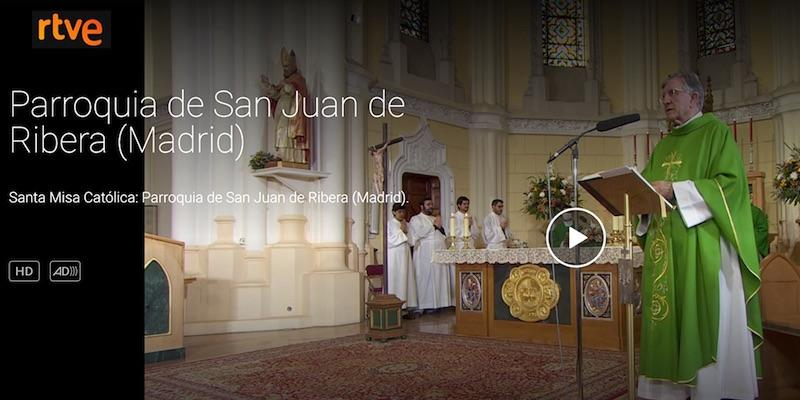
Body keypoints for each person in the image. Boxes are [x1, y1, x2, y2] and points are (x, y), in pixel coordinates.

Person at [637, 71, 762, 400]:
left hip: (702, 247)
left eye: (672, 92)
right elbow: (648, 192)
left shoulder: (716, 133)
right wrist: (639, 200)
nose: (665, 99)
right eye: (663, 94)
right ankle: (667, 392)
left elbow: (730, 188)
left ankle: (708, 389)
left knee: (702, 320)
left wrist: (675, 190)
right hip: (666, 249)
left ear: (695, 98)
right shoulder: (663, 145)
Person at [260, 47, 310, 164]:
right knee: (280, 131)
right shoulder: (284, 81)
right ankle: (282, 155)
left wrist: (287, 86)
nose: (285, 69)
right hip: (282, 113)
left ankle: (291, 157)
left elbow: (297, 93)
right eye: (284, 67)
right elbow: (276, 95)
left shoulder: (298, 80)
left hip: (292, 114)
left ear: (293, 66)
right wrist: (267, 86)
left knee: (288, 133)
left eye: (287, 67)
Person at [409, 198, 453, 311]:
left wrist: (440, 228)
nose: (431, 206)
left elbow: (444, 233)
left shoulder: (435, 218)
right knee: (426, 278)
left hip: (439, 251)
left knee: (440, 277)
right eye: (428, 204)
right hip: (425, 253)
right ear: (422, 206)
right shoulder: (416, 219)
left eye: (431, 204)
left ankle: (441, 304)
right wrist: (434, 226)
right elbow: (420, 233)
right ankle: (426, 305)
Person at [387, 203, 418, 313]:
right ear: (394, 212)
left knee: (406, 277)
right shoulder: (390, 224)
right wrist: (402, 232)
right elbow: (389, 241)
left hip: (405, 254)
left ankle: (406, 306)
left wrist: (406, 232)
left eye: (403, 212)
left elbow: (412, 239)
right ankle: (394, 305)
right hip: (394, 255)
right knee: (397, 278)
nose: (402, 214)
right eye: (399, 212)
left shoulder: (407, 224)